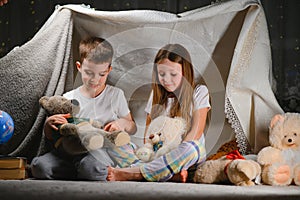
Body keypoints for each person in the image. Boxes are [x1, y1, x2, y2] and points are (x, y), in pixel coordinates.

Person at [31, 36, 137, 181]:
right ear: (79, 67)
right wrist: (49, 125)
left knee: (91, 166)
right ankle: (80, 171)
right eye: (89, 73)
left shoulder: (115, 95)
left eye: (102, 74)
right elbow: (53, 136)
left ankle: (85, 171)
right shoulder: (69, 97)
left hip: (98, 150)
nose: (95, 79)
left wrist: (122, 124)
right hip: (70, 151)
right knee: (39, 167)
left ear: (109, 70)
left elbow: (132, 126)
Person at [107, 43, 211, 182]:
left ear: (185, 72)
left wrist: (171, 155)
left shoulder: (199, 91)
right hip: (157, 155)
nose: (166, 80)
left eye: (173, 74)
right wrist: (151, 154)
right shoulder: (155, 95)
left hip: (186, 158)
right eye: (162, 74)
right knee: (117, 143)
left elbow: (196, 132)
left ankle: (134, 173)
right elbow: (148, 136)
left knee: (193, 147)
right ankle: (165, 173)